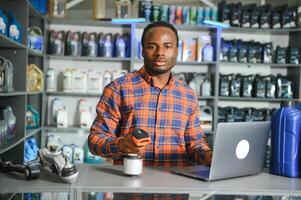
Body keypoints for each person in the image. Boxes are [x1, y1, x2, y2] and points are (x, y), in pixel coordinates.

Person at [88, 21, 213, 199]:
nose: (160, 52)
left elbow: (194, 145)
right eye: (152, 46)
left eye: (167, 46)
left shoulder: (188, 96)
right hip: (131, 193)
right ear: (142, 50)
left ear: (177, 51)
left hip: (175, 194)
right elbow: (95, 141)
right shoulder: (118, 88)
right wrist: (121, 144)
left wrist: (209, 156)